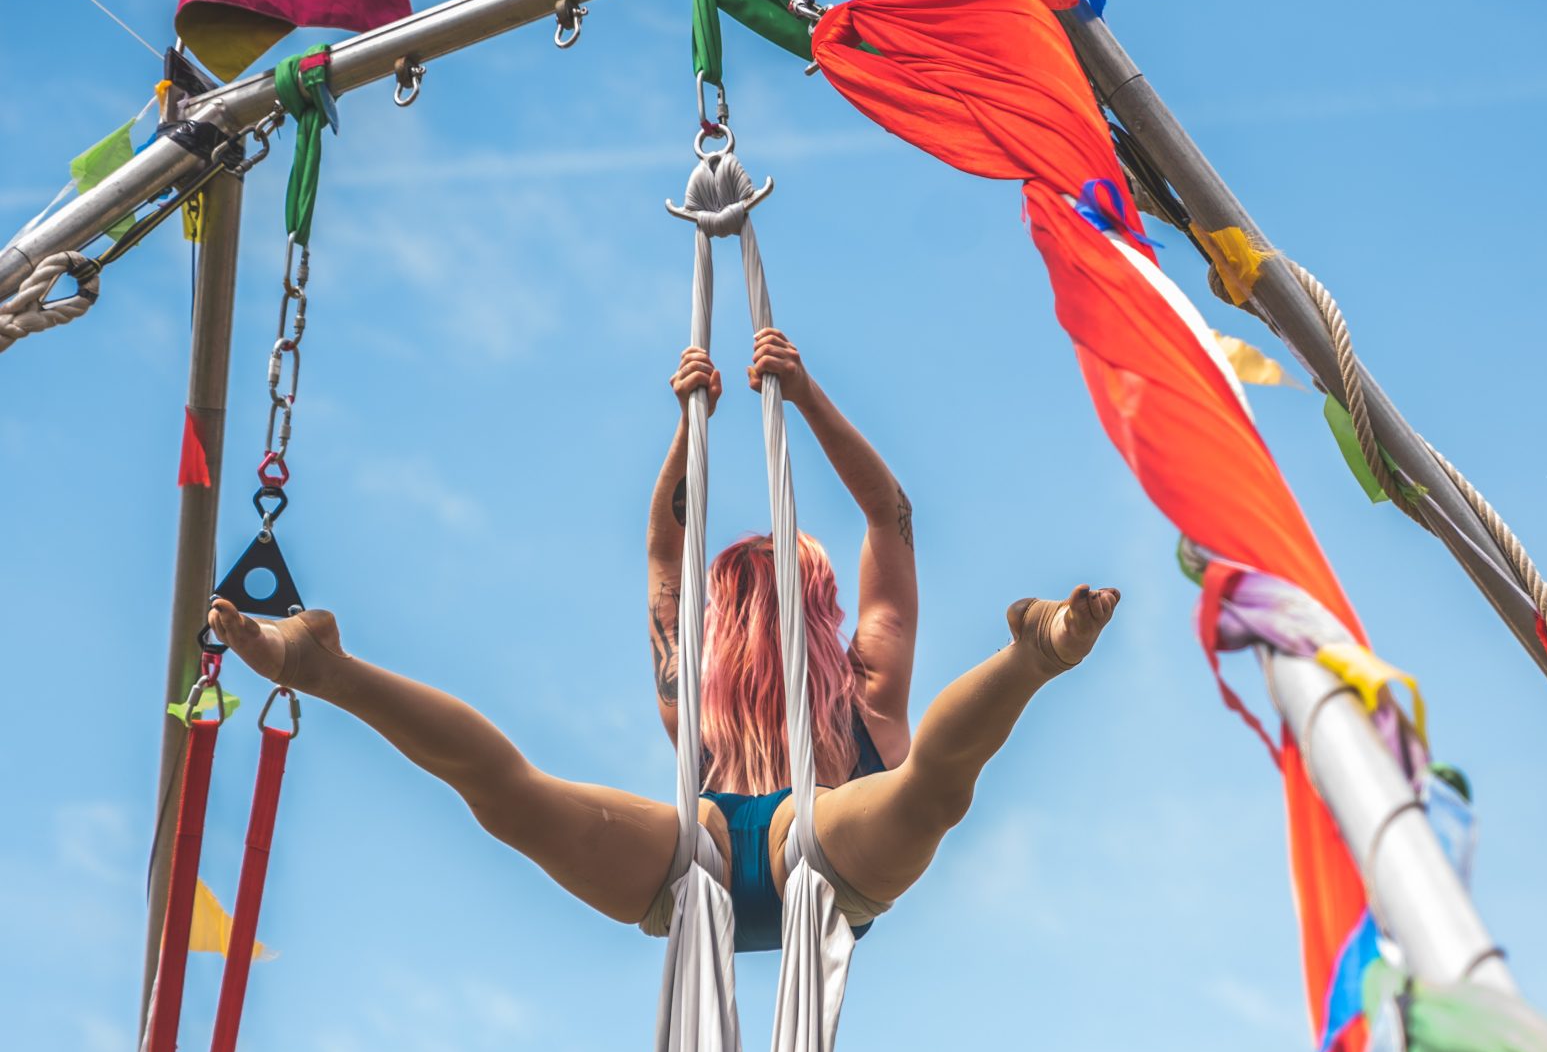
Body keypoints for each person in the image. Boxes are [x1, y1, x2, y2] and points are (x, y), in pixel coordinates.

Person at [208, 327, 1119, 944]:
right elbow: (890, 517)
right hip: (833, 849)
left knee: (507, 793)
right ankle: (1030, 656)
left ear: (726, 616)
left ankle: (333, 673)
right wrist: (803, 398)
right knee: (931, 788)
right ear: (820, 605)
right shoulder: (863, 681)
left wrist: (692, 427)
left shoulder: (694, 691)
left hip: (699, 858)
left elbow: (663, 547)